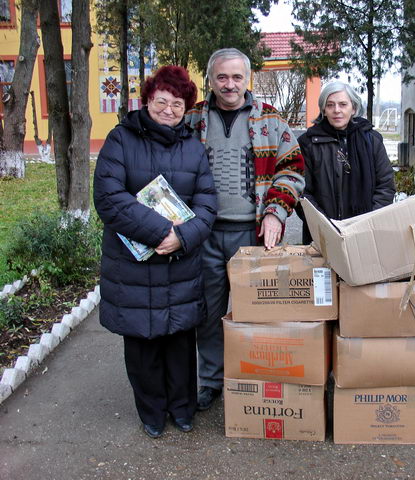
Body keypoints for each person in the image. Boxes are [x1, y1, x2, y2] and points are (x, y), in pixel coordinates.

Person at [93, 66, 217, 438]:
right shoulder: (120, 140)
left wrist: (183, 237)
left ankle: (182, 408)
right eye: (161, 101)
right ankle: (151, 412)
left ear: (186, 107)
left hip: (180, 262)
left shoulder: (194, 149)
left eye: (177, 104)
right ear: (148, 100)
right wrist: (163, 232)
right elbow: (108, 198)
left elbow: (208, 204)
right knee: (143, 343)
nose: (169, 109)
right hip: (134, 264)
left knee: (179, 341)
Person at [185, 48, 305, 411]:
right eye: (222, 77)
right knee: (207, 312)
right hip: (203, 233)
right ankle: (210, 381)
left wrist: (275, 212)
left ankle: (256, 377)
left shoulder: (269, 120)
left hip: (251, 236)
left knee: (258, 313)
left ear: (247, 79)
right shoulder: (192, 120)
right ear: (210, 80)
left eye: (237, 77)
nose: (230, 84)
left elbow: (293, 167)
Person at [297, 81, 396, 243]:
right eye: (330, 105)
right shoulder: (308, 143)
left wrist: (367, 223)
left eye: (343, 104)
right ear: (323, 109)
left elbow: (385, 186)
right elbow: (302, 193)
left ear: (354, 108)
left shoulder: (372, 140)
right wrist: (326, 226)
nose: (337, 110)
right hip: (322, 236)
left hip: (365, 234)